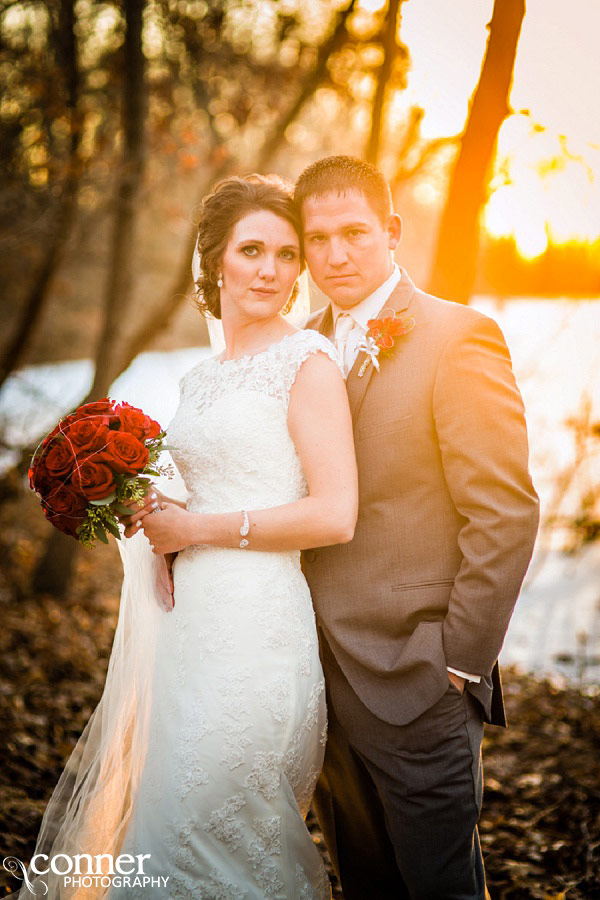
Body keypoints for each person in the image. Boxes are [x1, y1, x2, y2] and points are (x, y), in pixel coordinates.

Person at [17, 174, 357, 900]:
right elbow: (195, 496)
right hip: (186, 637)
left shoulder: (308, 365)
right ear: (216, 261)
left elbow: (335, 514)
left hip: (258, 638)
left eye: (287, 254)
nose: (271, 269)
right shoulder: (200, 380)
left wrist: (195, 526)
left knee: (220, 831)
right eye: (253, 250)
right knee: (167, 826)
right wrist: (145, 512)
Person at [295, 156, 540, 900]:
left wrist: (458, 663)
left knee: (442, 889)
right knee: (363, 883)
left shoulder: (458, 338)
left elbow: (504, 512)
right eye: (318, 239)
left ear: (392, 232)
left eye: (354, 234)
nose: (335, 255)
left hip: (419, 677)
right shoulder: (298, 348)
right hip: (316, 683)